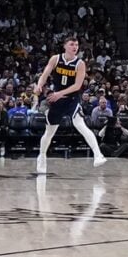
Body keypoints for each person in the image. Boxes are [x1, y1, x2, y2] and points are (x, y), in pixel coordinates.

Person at [32, 36, 107, 174]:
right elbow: (45, 74)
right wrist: (39, 85)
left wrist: (59, 93)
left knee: (81, 125)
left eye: (77, 45)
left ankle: (98, 154)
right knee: (49, 133)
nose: (75, 47)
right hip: (57, 101)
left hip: (72, 99)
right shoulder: (55, 59)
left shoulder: (80, 64)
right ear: (65, 46)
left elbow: (77, 85)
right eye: (72, 44)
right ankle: (42, 156)